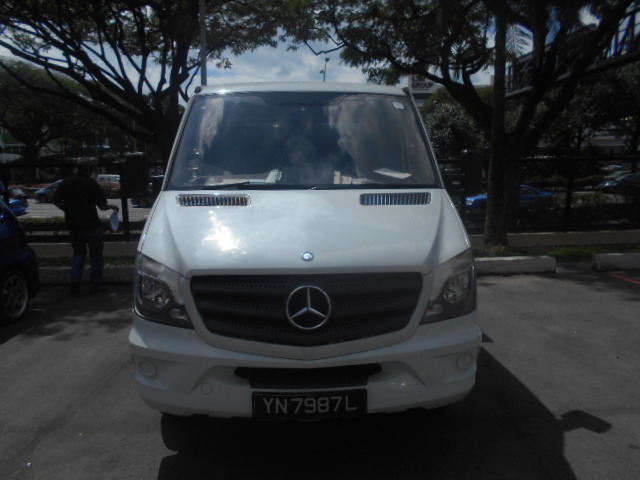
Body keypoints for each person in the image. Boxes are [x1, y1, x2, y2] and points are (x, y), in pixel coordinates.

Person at [52, 165, 119, 295]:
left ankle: (75, 280)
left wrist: (66, 209)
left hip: (74, 225)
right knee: (96, 256)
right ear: (88, 171)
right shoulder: (92, 184)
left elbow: (55, 200)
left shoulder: (67, 182)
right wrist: (112, 206)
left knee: (78, 253)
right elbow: (102, 206)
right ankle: (95, 283)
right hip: (92, 224)